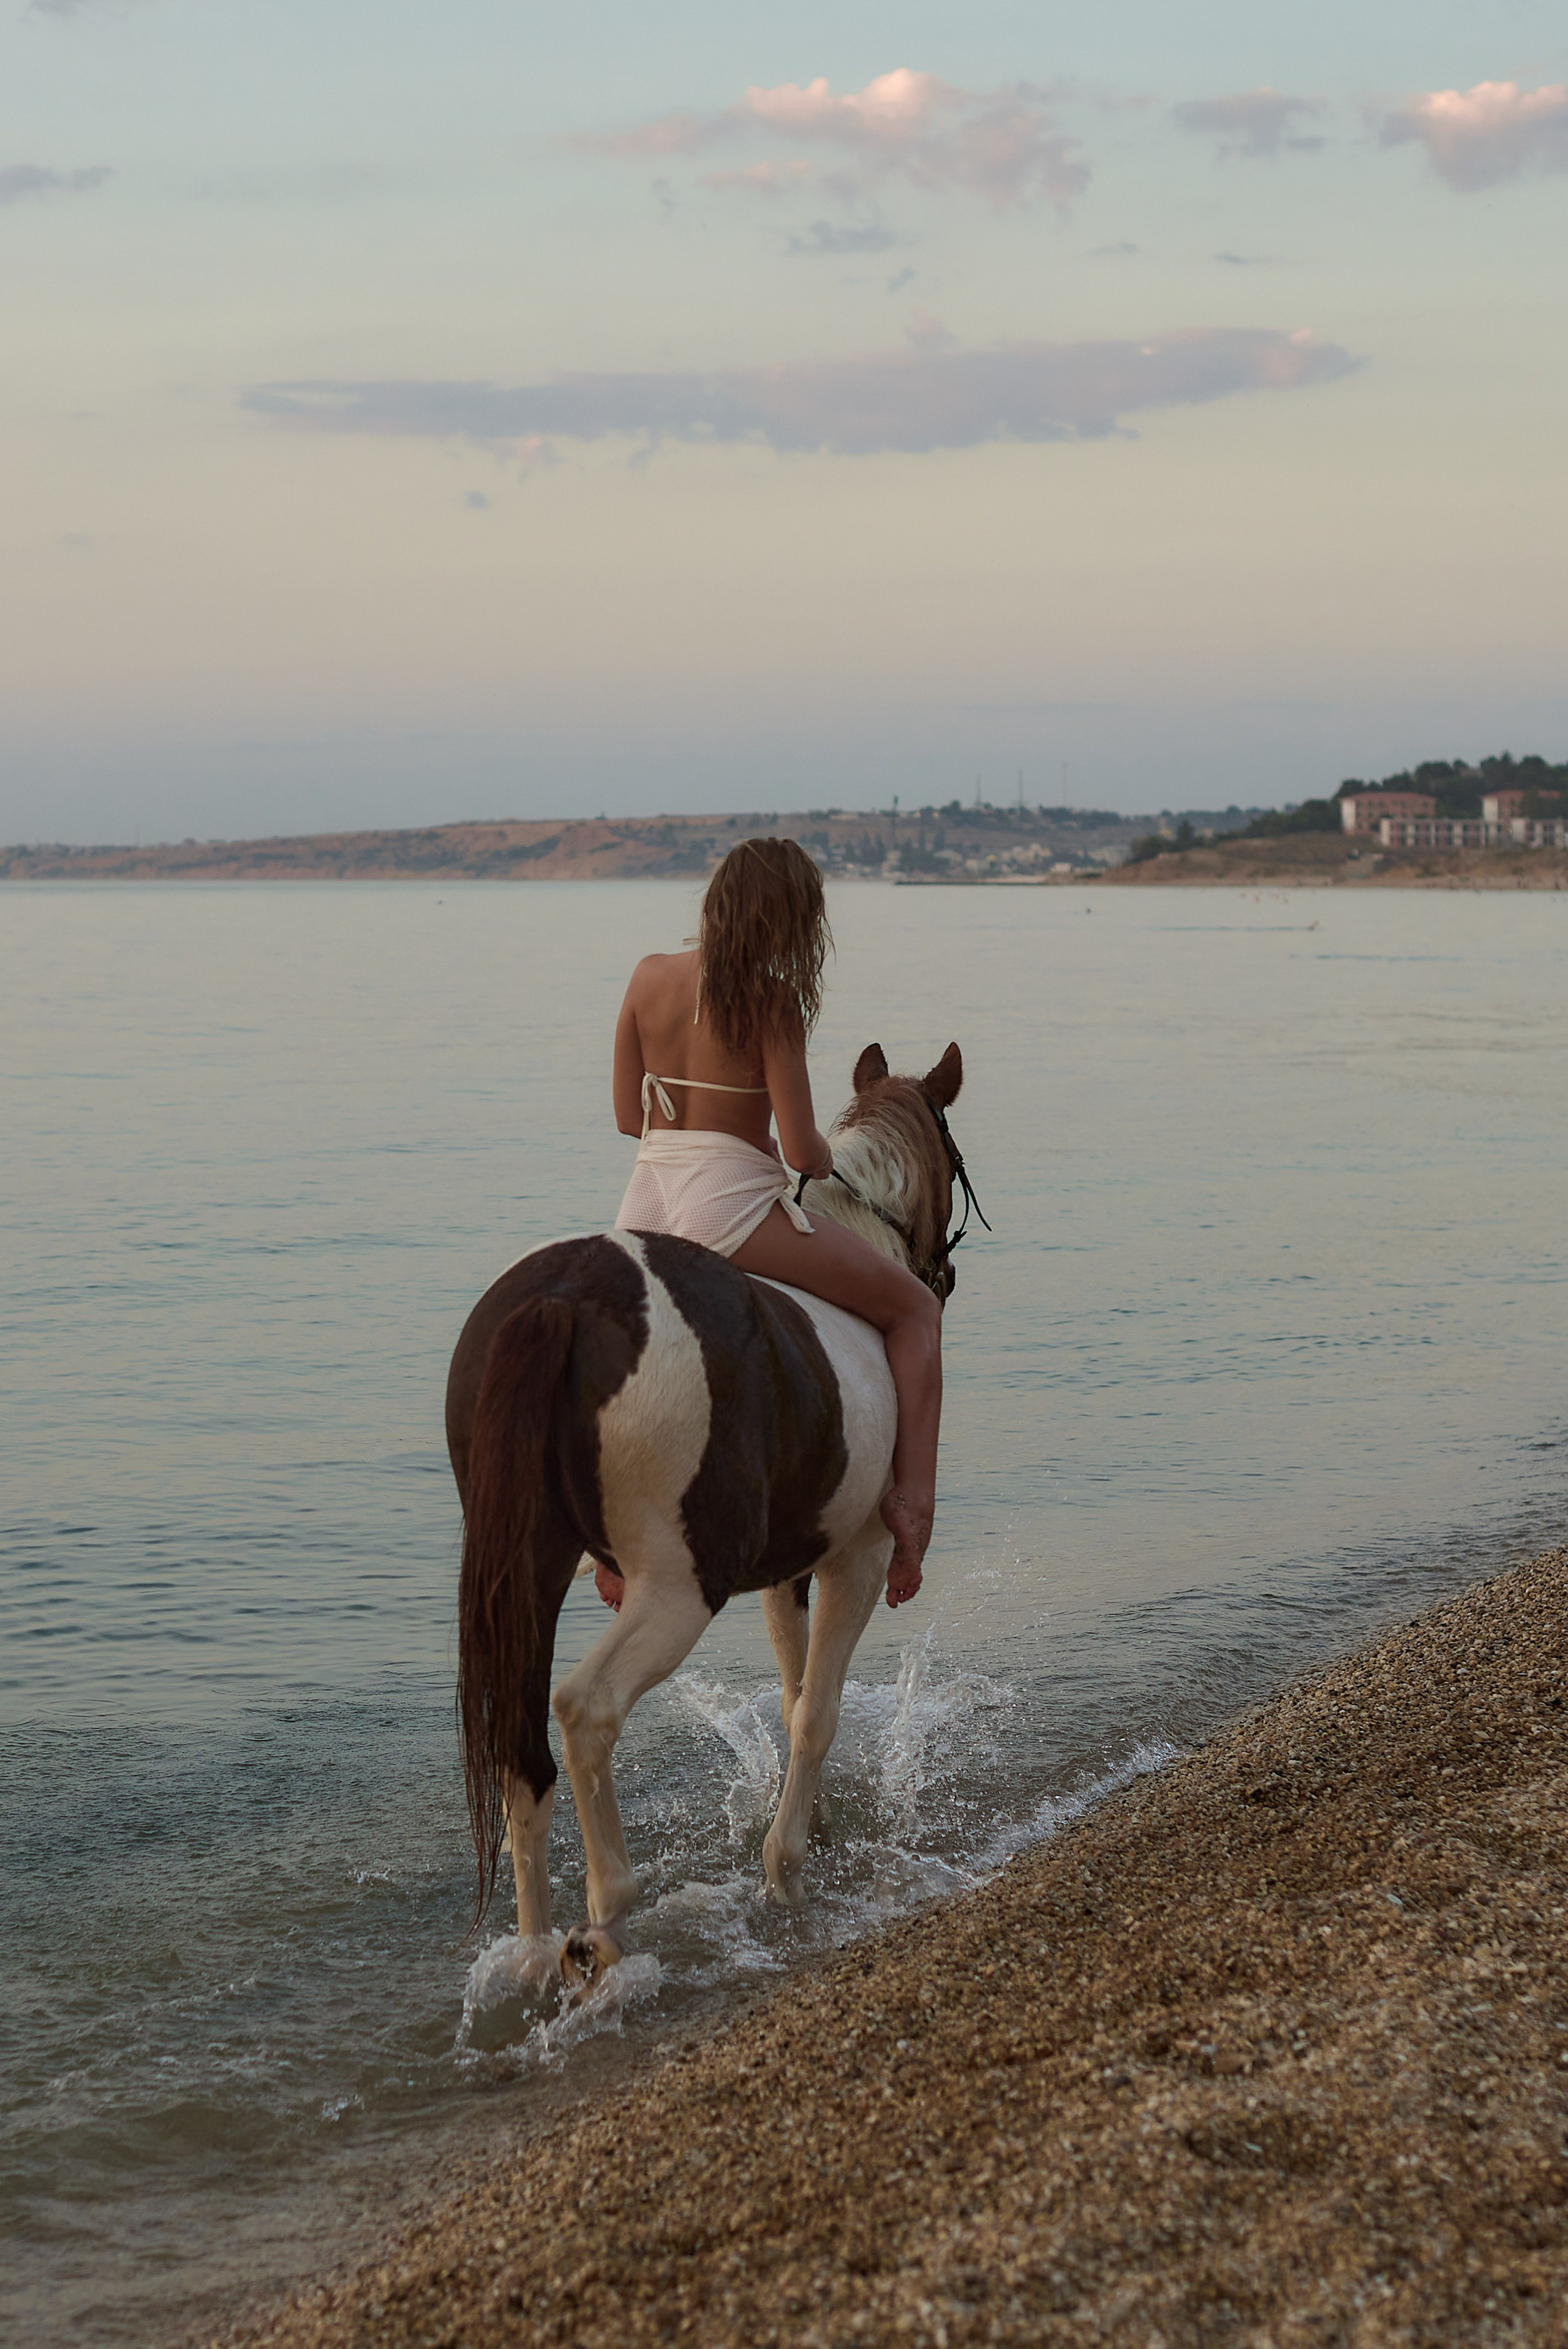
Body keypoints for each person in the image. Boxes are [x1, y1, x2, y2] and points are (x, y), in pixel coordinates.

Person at [604, 835, 942, 1612]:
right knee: (915, 1310)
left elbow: (628, 1116)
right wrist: (815, 1153)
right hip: (726, 1208)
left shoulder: (647, 975)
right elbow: (801, 1151)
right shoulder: (772, 1000)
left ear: (717, 900)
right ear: (793, 920)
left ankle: (612, 1540)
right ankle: (912, 1506)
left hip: (644, 1206)